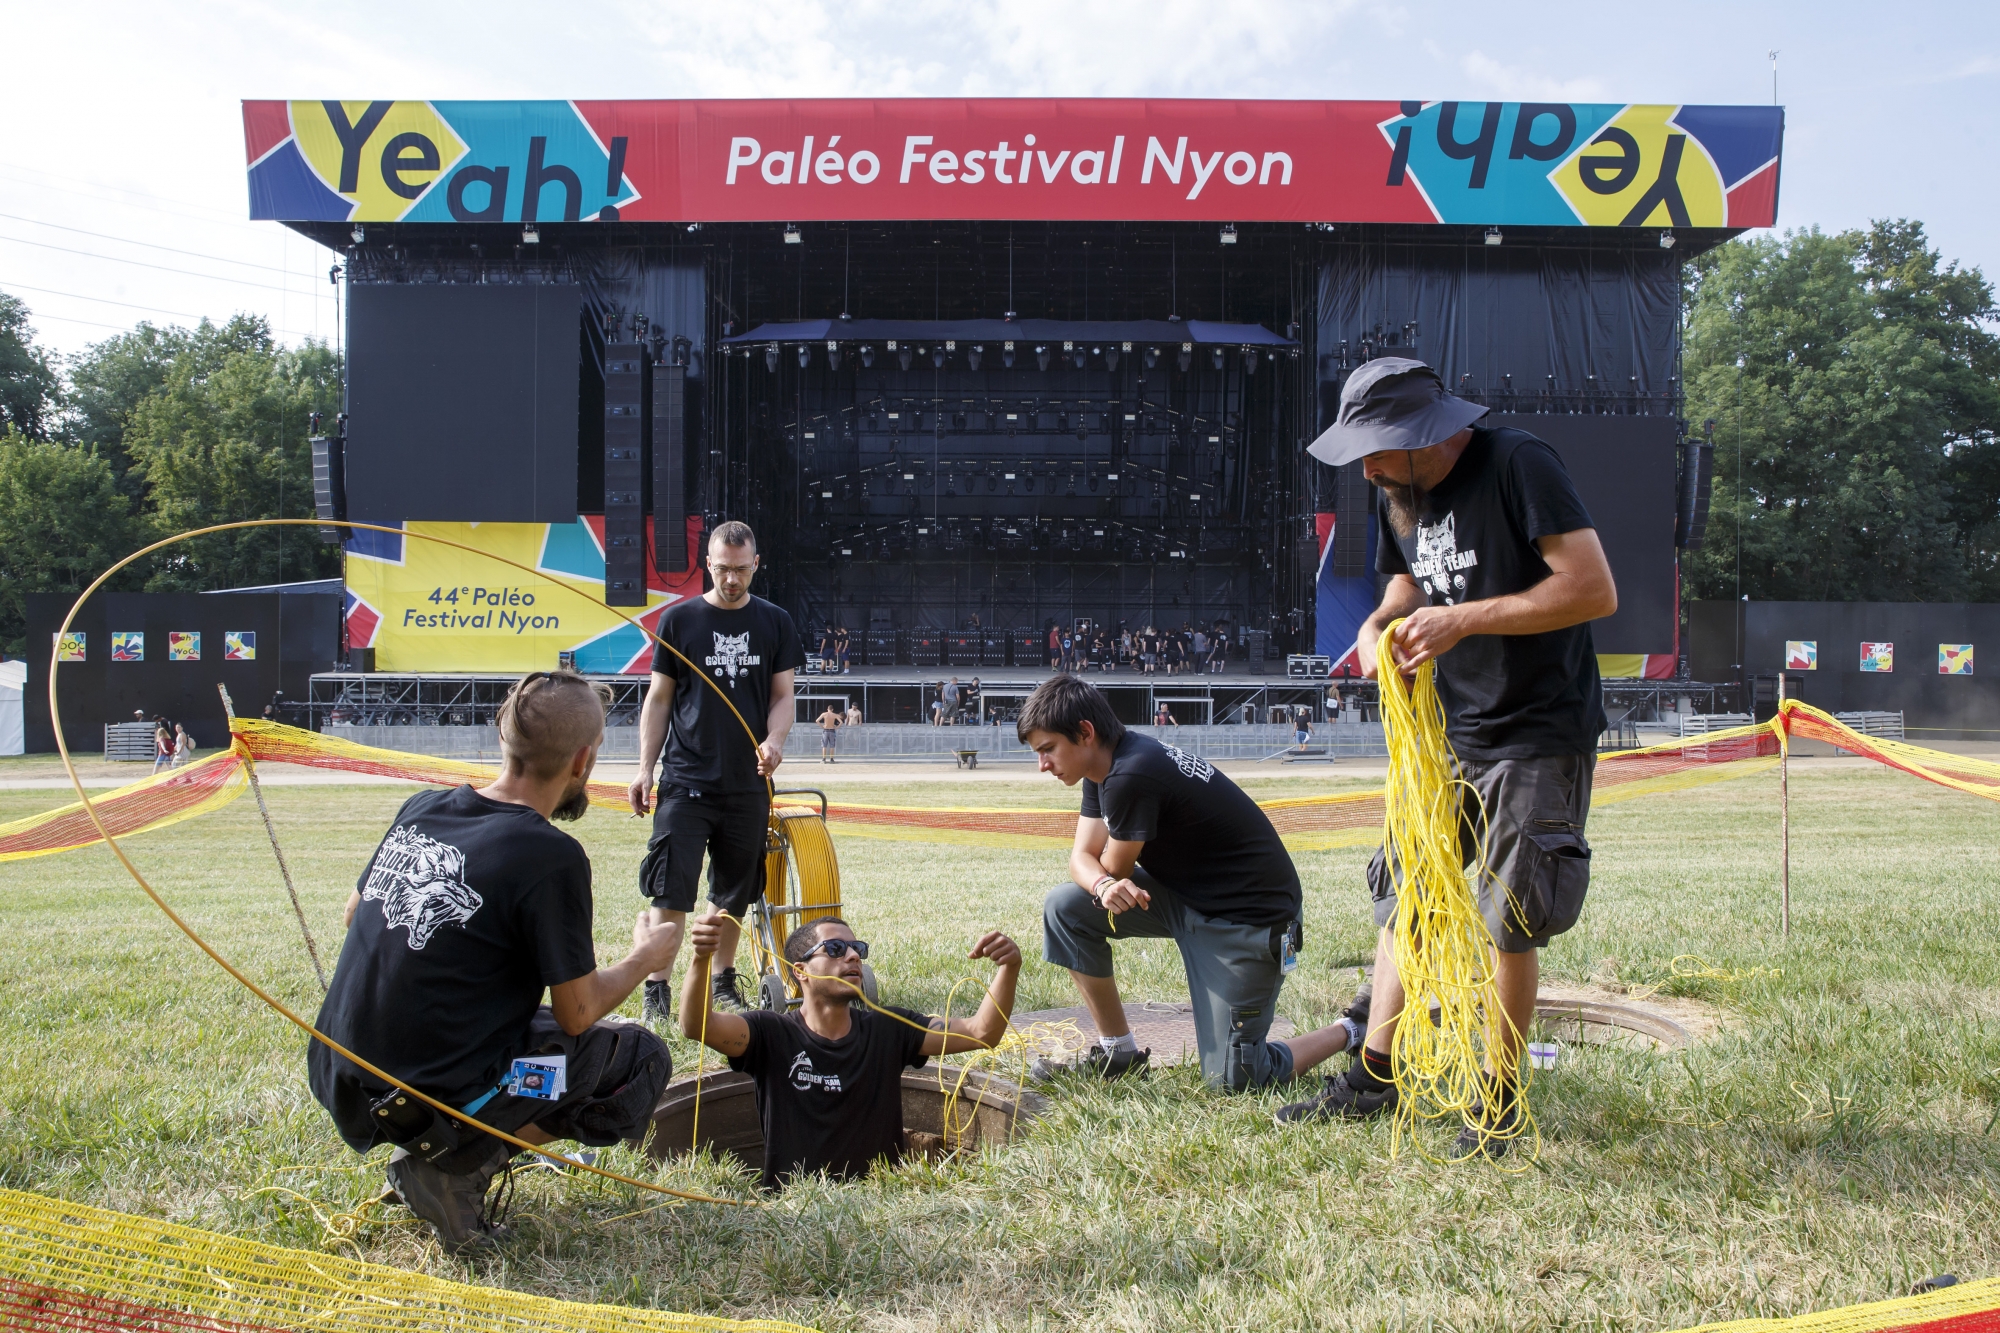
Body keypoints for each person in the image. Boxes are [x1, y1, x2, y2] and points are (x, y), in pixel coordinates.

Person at [1276, 357, 1616, 1157]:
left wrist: (1464, 620)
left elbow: (1592, 587)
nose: (1365, 467)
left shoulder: (1519, 464)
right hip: (1449, 734)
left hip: (1536, 730)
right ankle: (1374, 1073)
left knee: (1510, 915)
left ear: (1427, 433)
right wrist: (1375, 633)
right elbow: (1402, 594)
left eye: (1377, 447)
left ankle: (1496, 1101)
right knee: (1409, 894)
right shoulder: (1400, 493)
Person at [310, 670, 677, 1252]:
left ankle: (443, 1150)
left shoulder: (424, 807)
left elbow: (356, 912)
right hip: (420, 1094)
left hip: (342, 1075)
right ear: (582, 760)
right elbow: (578, 1013)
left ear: (503, 738)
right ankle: (457, 1164)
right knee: (635, 1058)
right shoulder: (549, 855)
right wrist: (644, 957)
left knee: (547, 1037)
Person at [1020, 676, 1363, 1088]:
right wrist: (1102, 887)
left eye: (1047, 750)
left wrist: (1106, 881)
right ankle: (1119, 1052)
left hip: (1247, 919)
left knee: (1237, 1080)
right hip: (1188, 896)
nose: (1042, 765)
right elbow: (1083, 860)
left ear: (1085, 733)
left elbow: (1111, 867)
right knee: (1066, 909)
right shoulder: (1104, 766)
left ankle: (1353, 1027)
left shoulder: (1133, 774)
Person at [681, 912, 1021, 1192]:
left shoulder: (889, 1028)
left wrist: (1009, 968)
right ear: (801, 972)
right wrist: (700, 959)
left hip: (880, 1207)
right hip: (794, 1213)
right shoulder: (770, 1034)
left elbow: (981, 1033)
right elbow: (697, 1026)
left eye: (856, 947)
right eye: (835, 948)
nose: (853, 955)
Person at [628, 521, 805, 1027]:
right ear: (709, 564)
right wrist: (644, 769)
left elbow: (782, 697)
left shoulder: (775, 622)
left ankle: (723, 980)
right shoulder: (679, 620)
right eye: (723, 569)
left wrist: (774, 743)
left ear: (756, 565)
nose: (732, 579)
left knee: (734, 892)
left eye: (741, 569)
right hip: (684, 782)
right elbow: (658, 700)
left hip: (746, 786)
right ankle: (658, 987)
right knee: (671, 890)